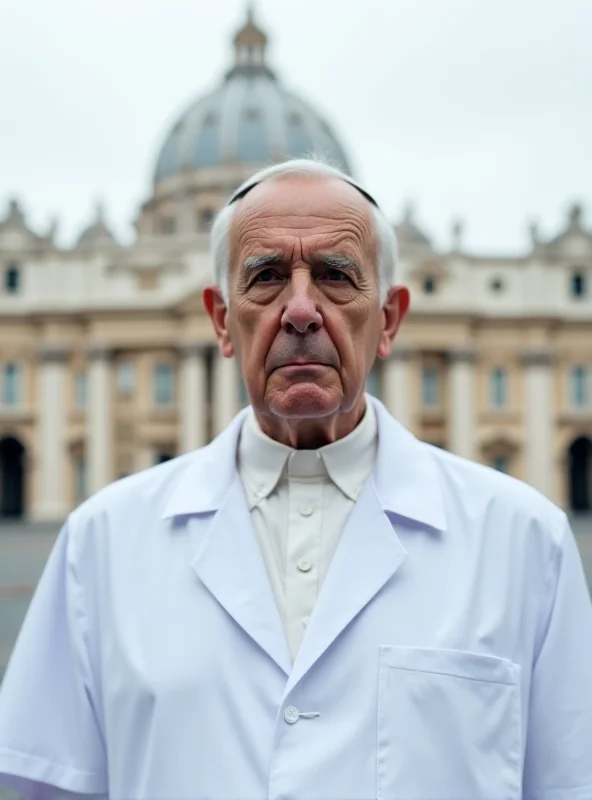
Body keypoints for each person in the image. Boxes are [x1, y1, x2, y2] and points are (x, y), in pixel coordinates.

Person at [0, 158, 591, 800]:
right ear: (222, 321)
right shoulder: (100, 540)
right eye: (267, 276)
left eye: (336, 276)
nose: (301, 311)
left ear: (389, 319)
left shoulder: (529, 540)